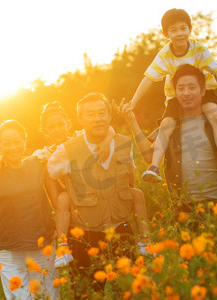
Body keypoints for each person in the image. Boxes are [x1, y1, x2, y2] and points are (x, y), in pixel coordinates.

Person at [125, 8, 217, 184]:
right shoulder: (164, 55)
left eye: (183, 28)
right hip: (175, 96)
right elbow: (148, 79)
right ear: (165, 33)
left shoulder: (199, 49)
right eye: (174, 30)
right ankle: (154, 167)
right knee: (167, 123)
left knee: (215, 114)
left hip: (204, 90)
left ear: (190, 29)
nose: (180, 33)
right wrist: (133, 102)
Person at [119, 64, 217, 224]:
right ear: (175, 93)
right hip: (186, 209)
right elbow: (150, 157)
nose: (186, 93)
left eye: (192, 87)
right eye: (181, 88)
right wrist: (131, 121)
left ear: (203, 91)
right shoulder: (169, 126)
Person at [47, 93, 144, 295]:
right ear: (80, 119)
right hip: (85, 237)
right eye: (90, 114)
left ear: (109, 116)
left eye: (102, 113)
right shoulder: (68, 150)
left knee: (128, 291)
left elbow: (130, 180)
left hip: (121, 232)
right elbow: (49, 174)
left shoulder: (123, 142)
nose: (98, 118)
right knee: (87, 294)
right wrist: (61, 200)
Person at [0, 120, 58, 300]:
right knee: (20, 298)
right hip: (9, 250)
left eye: (17, 141)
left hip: (41, 246)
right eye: (6, 143)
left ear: (24, 141)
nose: (13, 147)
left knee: (47, 297)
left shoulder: (36, 164)